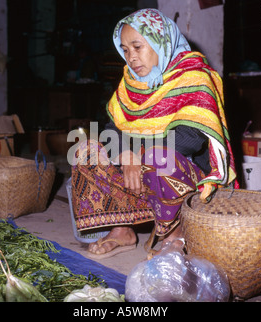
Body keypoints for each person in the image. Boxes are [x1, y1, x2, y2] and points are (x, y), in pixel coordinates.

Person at [71, 8, 238, 259]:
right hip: (140, 175)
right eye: (125, 50)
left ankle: (176, 233)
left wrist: (140, 153)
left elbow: (191, 137)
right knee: (86, 151)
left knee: (160, 157)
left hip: (186, 181)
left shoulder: (193, 77)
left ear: (161, 41)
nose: (131, 57)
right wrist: (126, 154)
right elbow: (112, 128)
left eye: (138, 47)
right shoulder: (131, 83)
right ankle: (122, 228)